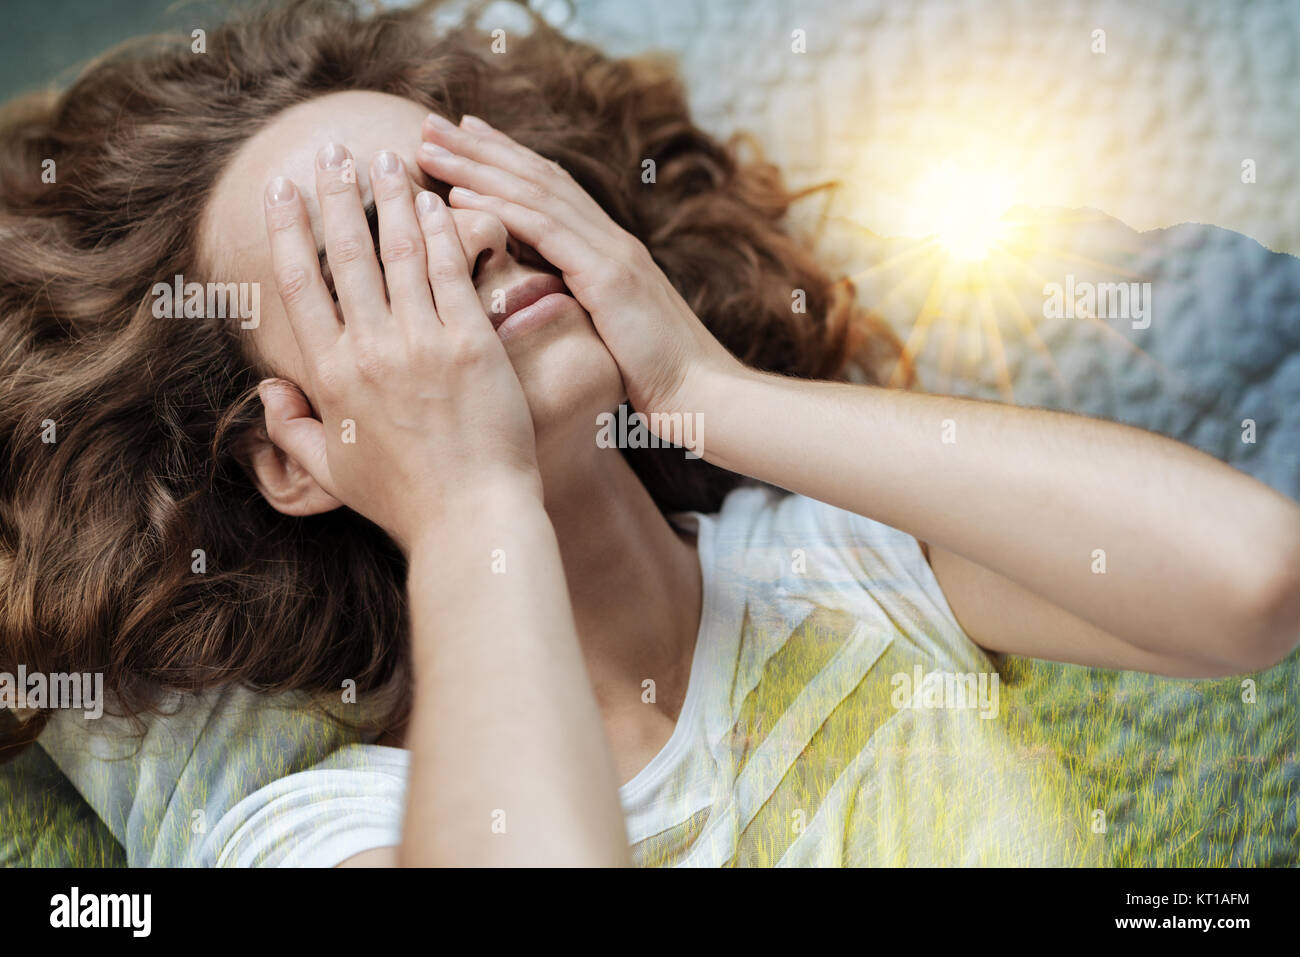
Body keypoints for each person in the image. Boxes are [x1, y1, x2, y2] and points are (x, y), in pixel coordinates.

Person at [5, 0, 1298, 867]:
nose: (463, 235)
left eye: (458, 182)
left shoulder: (828, 568)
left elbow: (1252, 581)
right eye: (369, 254)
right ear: (292, 456)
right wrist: (466, 503)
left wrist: (708, 391)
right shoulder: (331, 828)